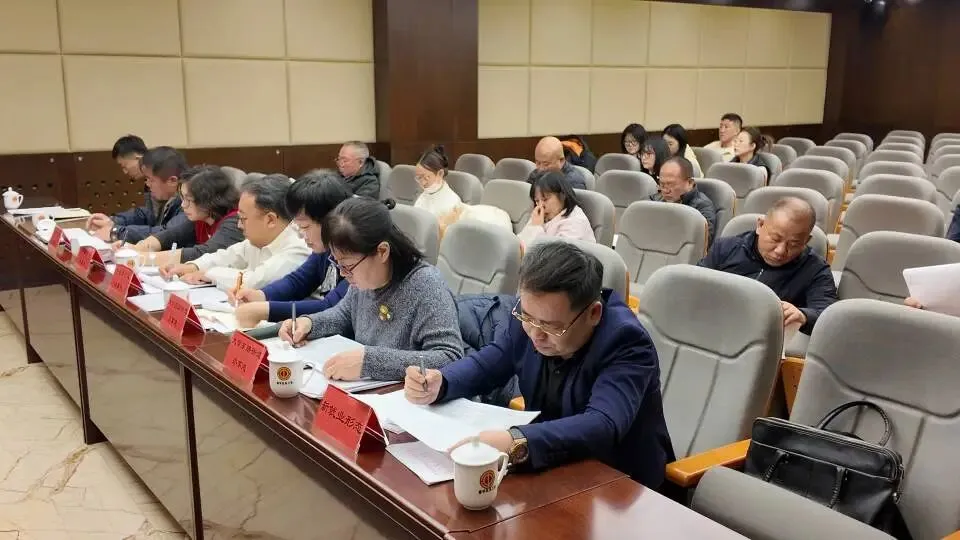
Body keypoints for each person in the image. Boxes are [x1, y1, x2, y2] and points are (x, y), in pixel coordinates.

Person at [403, 242, 674, 487]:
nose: (535, 334)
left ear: (593, 313)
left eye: (551, 327)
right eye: (527, 317)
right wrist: (443, 381)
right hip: (551, 466)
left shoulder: (626, 342)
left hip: (618, 485)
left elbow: (602, 425)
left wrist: (516, 440)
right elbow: (492, 362)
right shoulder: (531, 315)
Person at [278, 198, 462, 381]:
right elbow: (344, 315)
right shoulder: (364, 278)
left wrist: (369, 362)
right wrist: (309, 324)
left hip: (407, 394)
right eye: (338, 263)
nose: (343, 273)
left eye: (347, 266)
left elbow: (449, 357)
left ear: (382, 252)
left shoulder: (426, 284)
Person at [230, 170, 353, 328]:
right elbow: (298, 281)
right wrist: (261, 295)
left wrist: (266, 310)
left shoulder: (357, 255)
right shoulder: (324, 249)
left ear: (331, 222)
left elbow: (332, 308)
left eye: (305, 227)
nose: (301, 235)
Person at [699, 197, 837, 336]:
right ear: (760, 225)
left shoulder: (815, 269)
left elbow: (828, 316)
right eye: (775, 239)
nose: (780, 251)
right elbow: (695, 286)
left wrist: (804, 315)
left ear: (806, 240)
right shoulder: (725, 248)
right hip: (712, 328)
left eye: (793, 244)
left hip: (767, 339)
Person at [159, 174, 310, 291]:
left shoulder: (299, 247)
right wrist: (194, 266)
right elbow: (227, 256)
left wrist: (209, 274)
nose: (239, 225)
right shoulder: (259, 240)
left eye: (243, 218)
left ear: (270, 220)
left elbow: (255, 281)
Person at [130, 166, 244, 265]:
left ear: (208, 200)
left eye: (188, 200)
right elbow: (170, 236)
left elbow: (202, 254)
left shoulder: (235, 222)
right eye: (182, 198)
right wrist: (136, 249)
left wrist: (141, 258)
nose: (183, 205)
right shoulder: (202, 218)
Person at [87, 143, 188, 243]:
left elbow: (166, 233)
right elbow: (146, 215)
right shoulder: (166, 197)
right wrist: (113, 221)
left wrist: (117, 232)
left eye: (151, 180)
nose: (147, 184)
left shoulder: (189, 202)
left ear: (172, 181)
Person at [651, 157, 718, 247]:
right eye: (662, 185)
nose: (666, 191)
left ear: (690, 183)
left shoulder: (702, 207)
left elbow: (701, 243)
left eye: (671, 185)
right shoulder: (655, 200)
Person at [518, 171, 595, 245]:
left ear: (563, 195)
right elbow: (519, 242)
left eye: (545, 199)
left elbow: (550, 252)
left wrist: (537, 228)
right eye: (537, 201)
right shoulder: (540, 214)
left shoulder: (575, 222)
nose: (540, 206)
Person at [413, 145, 463, 229]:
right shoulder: (423, 196)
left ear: (440, 174)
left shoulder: (452, 203)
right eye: (419, 178)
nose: (423, 183)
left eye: (426, 177)